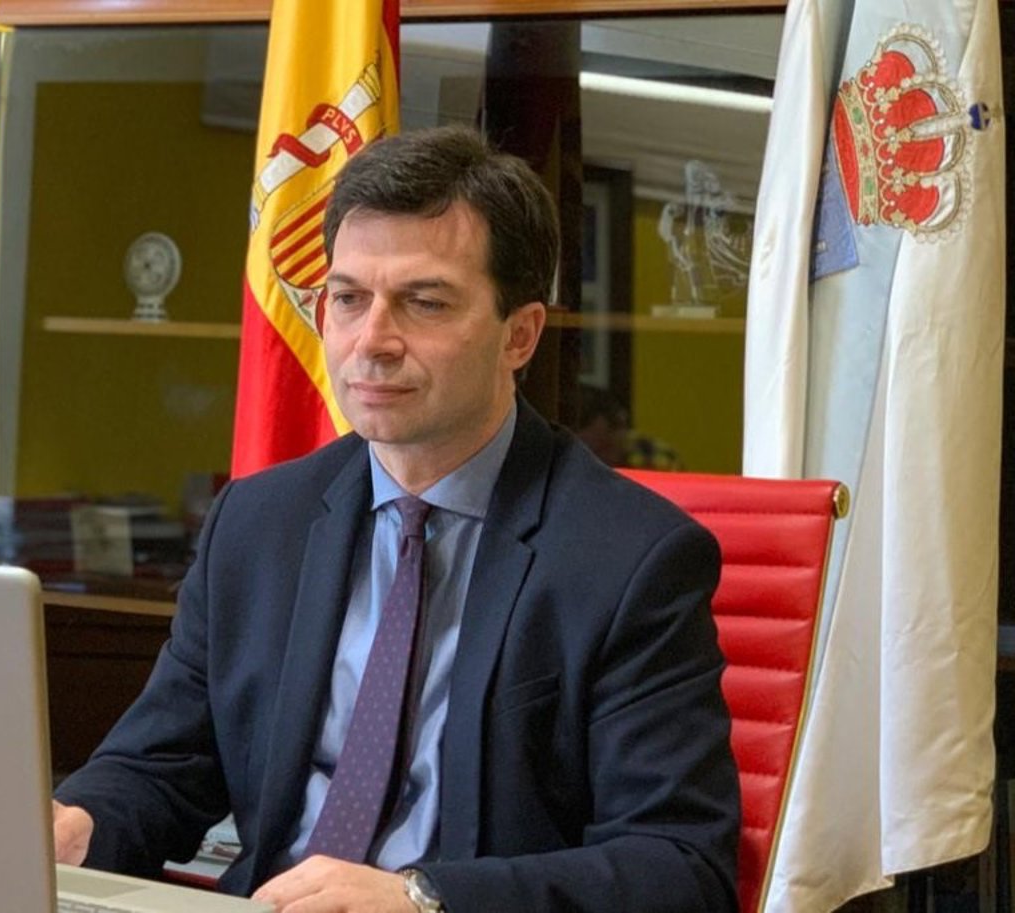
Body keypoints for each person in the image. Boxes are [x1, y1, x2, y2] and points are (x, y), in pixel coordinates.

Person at [52, 125, 739, 913]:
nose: (371, 341)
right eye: (348, 299)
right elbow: (162, 764)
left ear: (519, 335)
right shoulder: (257, 523)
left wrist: (422, 898)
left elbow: (679, 866)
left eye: (424, 302)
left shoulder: (630, 560)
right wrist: (77, 823)